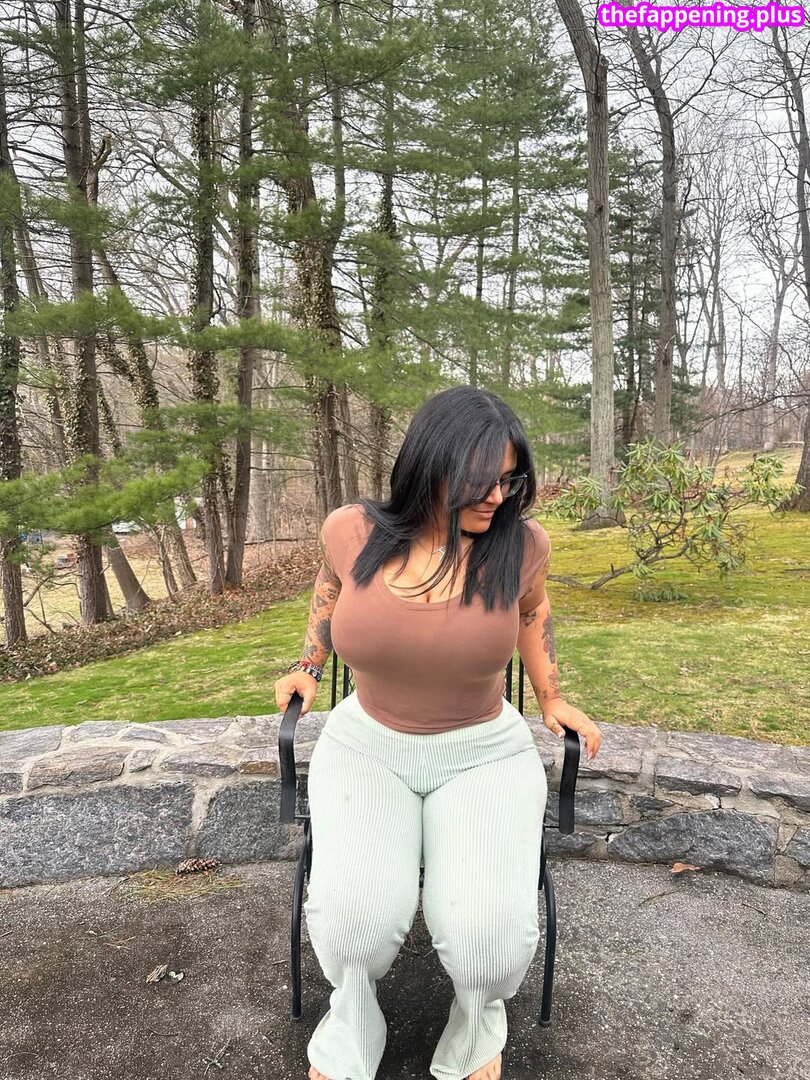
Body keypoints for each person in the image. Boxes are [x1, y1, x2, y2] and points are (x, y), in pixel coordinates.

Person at [274, 385, 602, 1080]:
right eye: (484, 481)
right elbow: (329, 588)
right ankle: (352, 1024)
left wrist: (551, 697)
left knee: (488, 943)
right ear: (431, 464)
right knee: (354, 927)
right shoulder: (351, 531)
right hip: (366, 745)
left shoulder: (521, 546)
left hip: (482, 753)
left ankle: (477, 1022)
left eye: (510, 480)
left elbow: (532, 613)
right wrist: (308, 663)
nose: (499, 497)